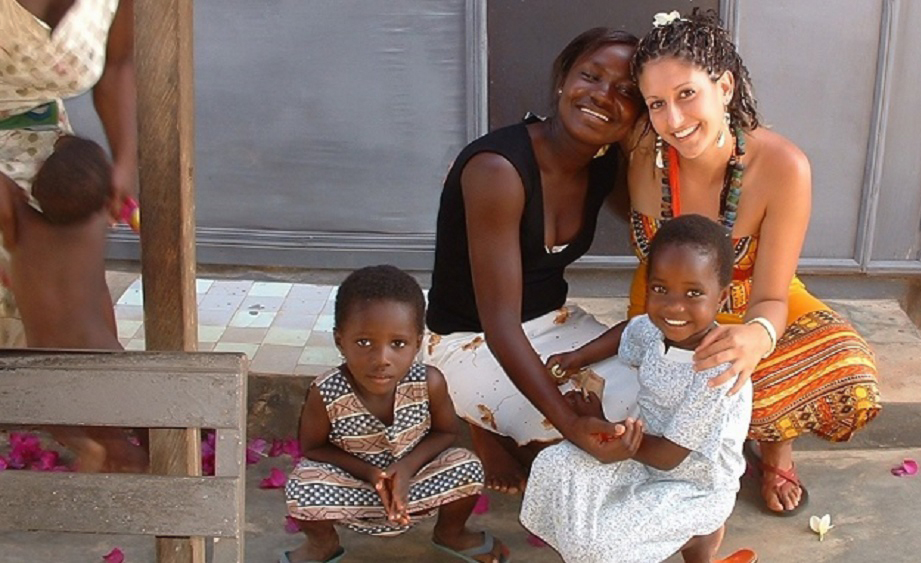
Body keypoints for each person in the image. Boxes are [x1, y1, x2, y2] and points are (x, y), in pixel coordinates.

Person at [627, 9, 881, 516]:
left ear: (723, 86)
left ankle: (775, 443)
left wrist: (756, 338)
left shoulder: (783, 166)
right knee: (668, 388)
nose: (673, 120)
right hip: (667, 313)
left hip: (755, 302)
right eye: (657, 103)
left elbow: (773, 292)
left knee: (845, 367)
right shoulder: (637, 148)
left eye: (687, 94)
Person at [422, 28, 645, 494]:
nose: (604, 96)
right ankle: (488, 431)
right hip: (470, 337)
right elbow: (499, 322)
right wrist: (568, 423)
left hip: (557, 324)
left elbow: (647, 224)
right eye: (591, 76)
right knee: (575, 457)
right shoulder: (498, 170)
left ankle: (510, 430)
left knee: (645, 414)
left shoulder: (604, 161)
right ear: (563, 80)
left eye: (627, 91)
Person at [522, 215, 757, 563]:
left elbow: (669, 457)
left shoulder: (716, 368)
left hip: (693, 486)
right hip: (644, 457)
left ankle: (698, 538)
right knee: (555, 466)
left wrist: (616, 435)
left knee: (600, 548)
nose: (674, 307)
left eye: (693, 293)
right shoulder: (653, 329)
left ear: (721, 298)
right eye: (661, 289)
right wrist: (578, 356)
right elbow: (628, 332)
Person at [283, 265, 506, 563]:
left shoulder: (430, 382)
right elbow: (313, 447)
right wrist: (372, 475)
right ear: (340, 341)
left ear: (417, 343)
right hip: (356, 492)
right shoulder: (326, 391)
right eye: (364, 342)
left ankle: (450, 532)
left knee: (466, 465)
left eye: (398, 344)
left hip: (414, 489)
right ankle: (322, 543)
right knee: (301, 487)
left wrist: (407, 468)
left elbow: (446, 433)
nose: (381, 359)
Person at [0, 134, 147, 472]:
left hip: (40, 357)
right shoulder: (95, 226)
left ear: (37, 189)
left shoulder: (19, 225)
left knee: (53, 413)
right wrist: (70, 146)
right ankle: (136, 453)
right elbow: (99, 177)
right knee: (127, 417)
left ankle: (86, 447)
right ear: (103, 200)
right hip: (99, 350)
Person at [1, 0, 138, 346]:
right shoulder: (89, 221)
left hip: (40, 133)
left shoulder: (21, 219)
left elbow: (118, 63)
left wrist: (125, 160)